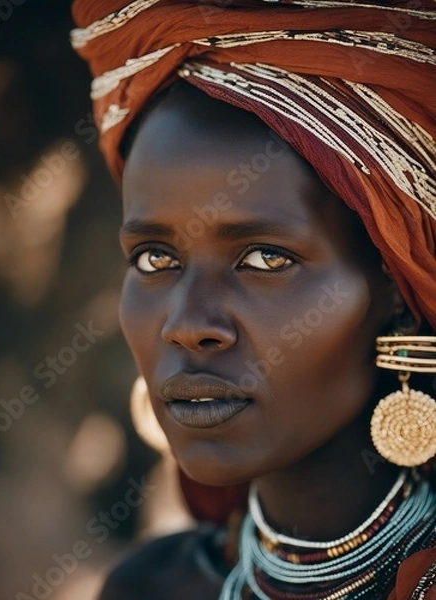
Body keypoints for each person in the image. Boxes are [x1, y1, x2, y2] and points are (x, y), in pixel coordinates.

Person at [70, 1, 436, 598]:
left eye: (266, 259)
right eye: (154, 259)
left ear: (395, 281)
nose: (188, 326)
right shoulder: (151, 588)